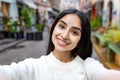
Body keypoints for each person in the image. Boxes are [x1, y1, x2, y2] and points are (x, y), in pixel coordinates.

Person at [0, 9, 120, 80]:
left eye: (74, 32)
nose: (65, 35)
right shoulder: (33, 66)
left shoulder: (87, 67)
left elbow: (107, 75)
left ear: (80, 40)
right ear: (54, 28)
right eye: (62, 26)